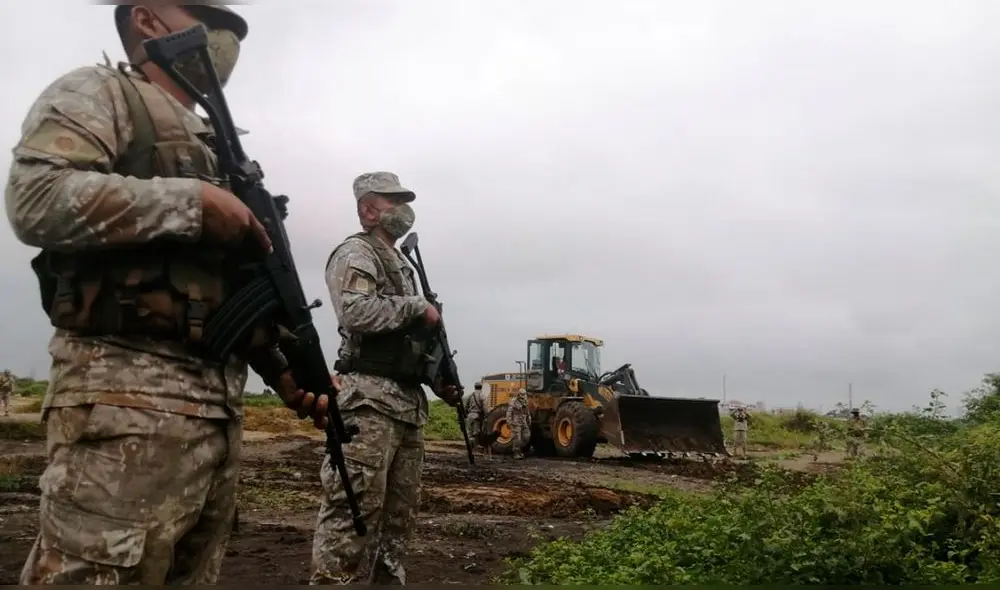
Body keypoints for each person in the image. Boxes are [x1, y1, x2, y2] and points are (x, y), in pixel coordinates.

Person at [6, 4, 331, 584]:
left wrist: (282, 370)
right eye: (207, 14)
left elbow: (226, 289)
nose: (229, 34)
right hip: (124, 403)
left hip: (215, 417)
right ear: (148, 21)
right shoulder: (101, 91)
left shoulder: (220, 148)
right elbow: (35, 198)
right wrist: (193, 205)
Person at [312, 171, 461, 585]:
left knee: (399, 519)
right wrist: (416, 308)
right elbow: (355, 313)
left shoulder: (403, 263)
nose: (402, 209)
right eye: (392, 201)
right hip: (368, 402)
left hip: (407, 407)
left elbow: (410, 342)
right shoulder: (356, 253)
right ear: (368, 209)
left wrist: (437, 381)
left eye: (402, 200)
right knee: (352, 511)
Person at [506, 388, 531, 459]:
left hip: (523, 420)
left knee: (527, 436)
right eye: (522, 394)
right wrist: (509, 421)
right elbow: (509, 411)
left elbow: (527, 410)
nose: (523, 396)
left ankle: (520, 450)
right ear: (519, 394)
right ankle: (516, 453)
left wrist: (529, 418)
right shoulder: (514, 401)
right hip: (516, 421)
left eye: (524, 394)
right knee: (517, 438)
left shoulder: (525, 401)